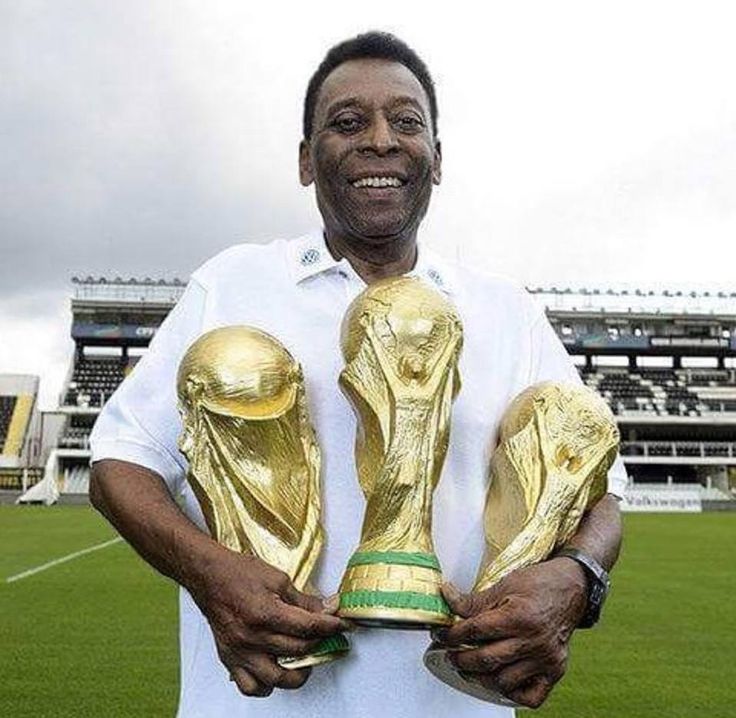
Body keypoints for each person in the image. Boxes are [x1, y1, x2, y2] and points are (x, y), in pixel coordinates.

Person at [89, 31, 627, 718]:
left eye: (407, 122)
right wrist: (210, 574)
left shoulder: (506, 309)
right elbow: (120, 463)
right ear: (307, 161)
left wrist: (577, 579)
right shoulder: (235, 281)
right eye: (348, 122)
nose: (380, 140)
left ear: (436, 160)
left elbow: (598, 495)